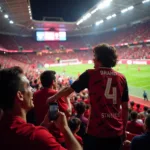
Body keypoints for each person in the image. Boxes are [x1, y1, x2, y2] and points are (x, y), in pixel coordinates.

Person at [47, 44, 129, 150]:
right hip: (116, 132)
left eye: (94, 56)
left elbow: (68, 90)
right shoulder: (122, 78)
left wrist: (53, 97)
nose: (93, 59)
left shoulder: (90, 74)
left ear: (100, 59)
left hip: (95, 131)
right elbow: (125, 108)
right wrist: (124, 130)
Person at [0, 66, 82, 150]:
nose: (32, 90)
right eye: (28, 86)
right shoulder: (38, 136)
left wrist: (43, 125)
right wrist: (65, 128)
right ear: (20, 95)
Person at [33, 70, 72, 144]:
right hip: (55, 136)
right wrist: (68, 99)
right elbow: (68, 112)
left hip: (41, 132)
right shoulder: (55, 94)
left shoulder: (35, 94)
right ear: (53, 82)